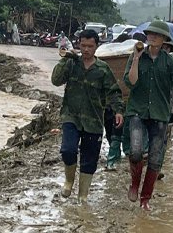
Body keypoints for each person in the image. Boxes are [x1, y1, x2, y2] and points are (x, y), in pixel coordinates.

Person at [123, 20, 173, 210]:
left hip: (160, 113)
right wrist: (137, 59)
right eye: (149, 33)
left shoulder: (169, 61)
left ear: (164, 38)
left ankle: (145, 199)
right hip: (137, 111)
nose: (151, 36)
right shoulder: (136, 57)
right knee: (136, 150)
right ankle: (134, 184)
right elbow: (130, 83)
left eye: (156, 34)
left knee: (156, 158)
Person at [51, 29, 124, 203]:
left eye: (90, 46)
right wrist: (65, 58)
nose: (86, 49)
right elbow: (55, 80)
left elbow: (113, 91)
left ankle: (82, 196)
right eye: (83, 45)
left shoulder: (102, 69)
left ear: (96, 47)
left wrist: (118, 110)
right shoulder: (71, 63)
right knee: (68, 150)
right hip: (71, 115)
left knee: (89, 159)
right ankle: (69, 180)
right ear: (78, 45)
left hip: (94, 120)